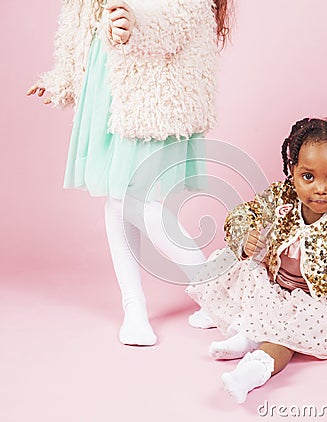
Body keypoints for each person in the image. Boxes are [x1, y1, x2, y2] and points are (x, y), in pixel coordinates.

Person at [26, 0, 232, 346]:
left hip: (150, 91)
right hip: (106, 87)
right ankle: (135, 308)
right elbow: (83, 19)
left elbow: (179, 18)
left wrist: (136, 25)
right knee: (117, 199)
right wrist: (63, 79)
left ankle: (216, 289)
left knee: (136, 202)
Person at [187, 117, 327, 403]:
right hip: (274, 285)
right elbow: (243, 213)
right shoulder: (282, 195)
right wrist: (243, 235)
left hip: (315, 300)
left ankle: (251, 371)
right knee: (232, 262)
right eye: (308, 177)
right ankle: (243, 331)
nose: (320, 188)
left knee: (288, 334)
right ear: (293, 170)